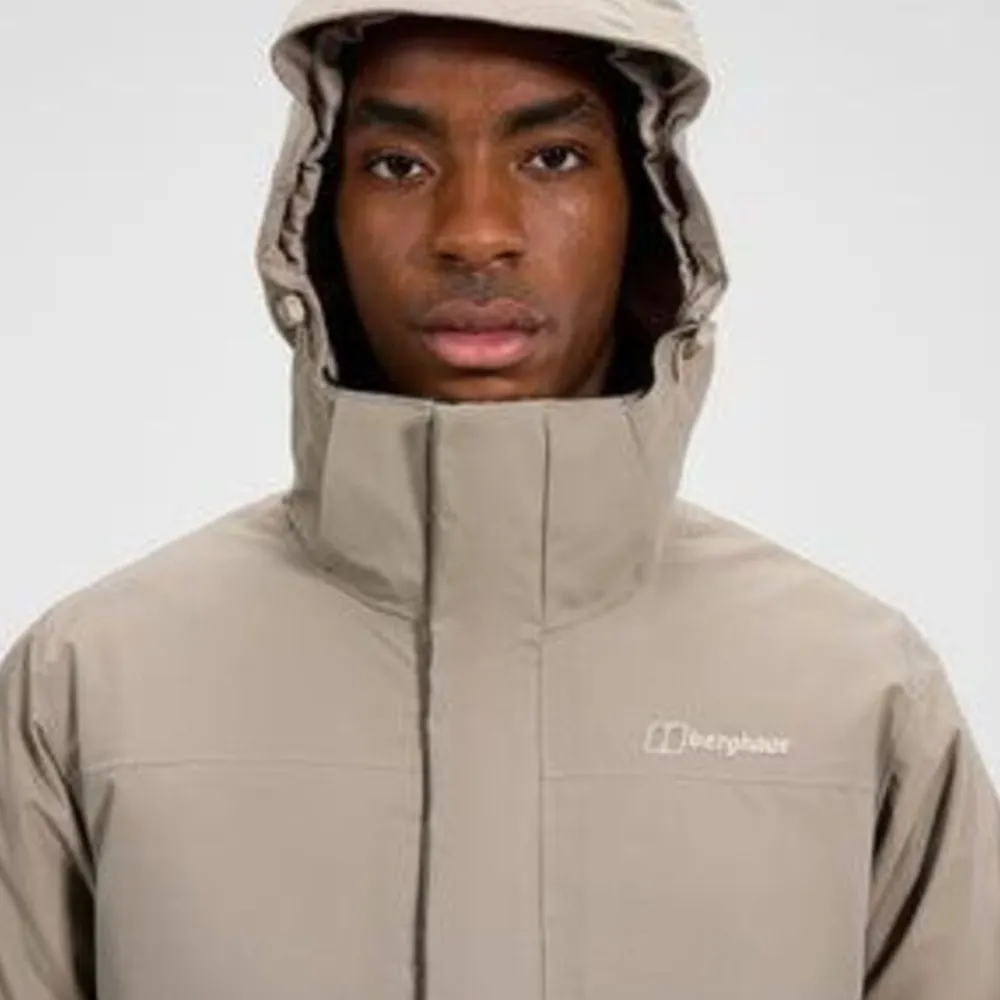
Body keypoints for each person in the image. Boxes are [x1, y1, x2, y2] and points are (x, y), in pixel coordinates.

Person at [0, 0, 997, 997]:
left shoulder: (853, 693)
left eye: (553, 158)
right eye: (398, 165)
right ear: (315, 211)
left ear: (651, 207)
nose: (474, 233)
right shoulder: (92, 686)